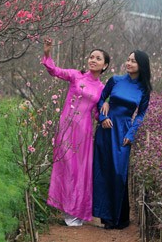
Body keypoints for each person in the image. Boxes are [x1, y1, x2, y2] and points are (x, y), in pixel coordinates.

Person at [42, 36, 110, 227]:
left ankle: (76, 210)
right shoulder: (75, 75)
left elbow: (97, 114)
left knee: (80, 171)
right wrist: (47, 53)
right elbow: (54, 71)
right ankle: (66, 207)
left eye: (98, 58)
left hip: (84, 133)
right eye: (91, 57)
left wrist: (107, 111)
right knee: (66, 166)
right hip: (67, 127)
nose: (93, 60)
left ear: (104, 66)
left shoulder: (103, 89)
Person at [92, 50, 152, 229]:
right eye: (128, 59)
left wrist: (131, 133)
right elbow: (101, 99)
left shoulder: (144, 89)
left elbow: (141, 114)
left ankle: (120, 218)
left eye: (133, 61)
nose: (129, 63)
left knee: (119, 173)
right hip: (106, 129)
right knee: (104, 171)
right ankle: (107, 218)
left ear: (141, 65)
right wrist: (103, 117)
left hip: (123, 132)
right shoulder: (115, 80)